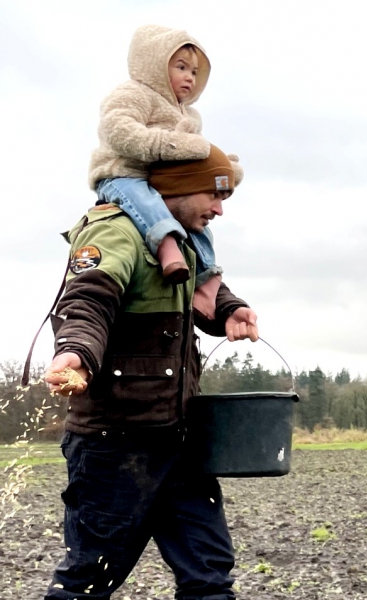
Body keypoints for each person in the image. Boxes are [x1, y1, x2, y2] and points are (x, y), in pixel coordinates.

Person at [42, 147, 258, 600]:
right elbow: (88, 300)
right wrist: (76, 352)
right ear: (178, 187)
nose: (219, 211)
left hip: (179, 442)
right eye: (213, 196)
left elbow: (199, 288)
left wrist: (229, 309)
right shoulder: (115, 232)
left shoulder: (182, 242)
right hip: (114, 447)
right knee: (87, 581)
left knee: (209, 577)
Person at [88, 24, 243, 320]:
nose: (190, 77)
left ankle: (208, 280)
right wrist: (168, 144)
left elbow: (194, 157)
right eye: (181, 67)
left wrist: (223, 169)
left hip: (159, 183)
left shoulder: (189, 114)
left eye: (194, 72)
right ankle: (167, 247)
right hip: (122, 175)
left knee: (199, 227)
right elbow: (117, 129)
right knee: (146, 202)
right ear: (154, 64)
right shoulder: (133, 94)